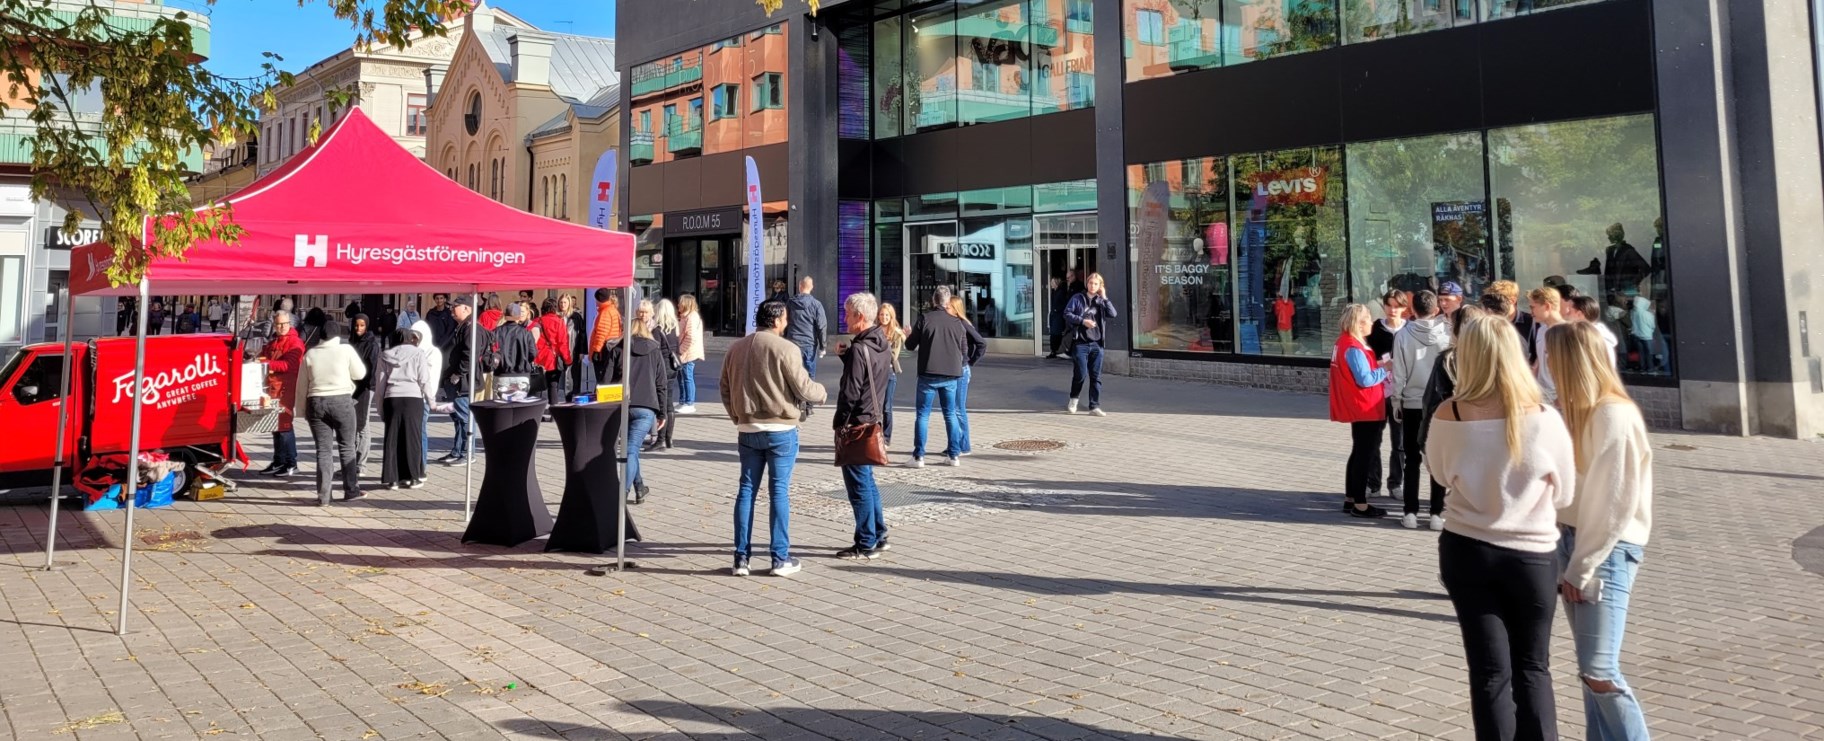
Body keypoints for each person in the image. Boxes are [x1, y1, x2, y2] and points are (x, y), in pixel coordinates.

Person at [1426, 315, 1578, 741]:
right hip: (1532, 555)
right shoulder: (1544, 418)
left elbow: (1438, 475)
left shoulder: (1448, 412)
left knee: (1489, 672)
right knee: (1534, 666)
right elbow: (1565, 493)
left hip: (1467, 549)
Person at [1546, 322, 1655, 741]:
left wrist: (1582, 565)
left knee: (1599, 669)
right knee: (1590, 668)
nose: (1549, 364)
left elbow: (1614, 501)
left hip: (1604, 549)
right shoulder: (1580, 410)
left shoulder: (1613, 413)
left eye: (1554, 356)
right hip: (1577, 542)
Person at [720, 300, 826, 577]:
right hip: (781, 430)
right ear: (778, 320)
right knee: (778, 491)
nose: (787, 323)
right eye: (786, 319)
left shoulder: (736, 348)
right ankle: (779, 558)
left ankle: (741, 558)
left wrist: (737, 416)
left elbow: (724, 387)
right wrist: (823, 392)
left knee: (746, 491)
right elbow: (803, 387)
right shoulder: (786, 349)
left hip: (748, 429)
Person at [833, 292, 893, 560]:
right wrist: (847, 359)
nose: (845, 318)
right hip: (872, 420)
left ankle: (865, 542)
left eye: (847, 313)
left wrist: (839, 422)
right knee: (867, 481)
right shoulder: (880, 342)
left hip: (857, 423)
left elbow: (851, 391)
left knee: (858, 486)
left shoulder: (860, 348)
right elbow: (870, 376)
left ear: (859, 316)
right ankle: (879, 534)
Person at [1389, 290, 1452, 529]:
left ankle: (1410, 512)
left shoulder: (1403, 335)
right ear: (1435, 309)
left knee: (1411, 458)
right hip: (1440, 402)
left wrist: (1397, 400)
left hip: (1413, 401)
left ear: (1412, 310)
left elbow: (1399, 373)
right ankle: (1436, 512)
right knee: (1438, 457)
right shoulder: (1446, 333)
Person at [903, 286, 980, 468]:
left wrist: (908, 335)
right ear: (947, 302)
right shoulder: (957, 322)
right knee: (950, 414)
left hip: (928, 373)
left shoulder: (925, 319)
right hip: (951, 374)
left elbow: (910, 346)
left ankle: (918, 457)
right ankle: (954, 456)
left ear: (934, 300)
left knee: (923, 415)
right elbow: (964, 350)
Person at [296, 319, 367, 505]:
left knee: (323, 450)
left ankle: (324, 496)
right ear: (338, 335)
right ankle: (351, 490)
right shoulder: (346, 350)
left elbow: (301, 385)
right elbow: (360, 374)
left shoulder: (310, 353)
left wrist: (301, 411)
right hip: (342, 401)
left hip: (316, 402)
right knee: (347, 446)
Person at [1328, 304, 1390, 519]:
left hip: (1357, 405)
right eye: (1369, 319)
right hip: (1364, 406)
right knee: (1365, 454)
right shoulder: (1353, 346)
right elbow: (1365, 379)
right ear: (1359, 322)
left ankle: (1351, 498)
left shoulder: (1344, 342)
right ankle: (1361, 504)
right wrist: (1386, 369)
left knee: (1358, 452)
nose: (1372, 322)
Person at [613, 300, 670, 504]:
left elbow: (609, 380)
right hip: (646, 407)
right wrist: (662, 413)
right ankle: (625, 492)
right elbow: (661, 383)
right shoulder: (654, 350)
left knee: (630, 450)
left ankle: (638, 487)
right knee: (631, 450)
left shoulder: (619, 349)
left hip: (622, 406)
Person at [379, 328, 435, 490]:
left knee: (392, 438)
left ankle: (393, 479)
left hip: (392, 397)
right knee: (413, 438)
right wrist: (431, 401)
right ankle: (413, 477)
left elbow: (380, 383)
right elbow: (424, 379)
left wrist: (381, 408)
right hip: (413, 397)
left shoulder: (385, 355)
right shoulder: (418, 354)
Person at [1368, 290, 1410, 501]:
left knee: (1400, 442)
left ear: (1404, 308)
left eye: (1397, 306)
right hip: (1377, 393)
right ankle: (1373, 484)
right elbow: (1366, 360)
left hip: (1401, 394)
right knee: (1374, 439)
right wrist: (1384, 365)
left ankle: (1396, 483)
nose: (1393, 310)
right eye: (1389, 305)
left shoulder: (1410, 330)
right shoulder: (1375, 329)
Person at [1065, 272, 1118, 416]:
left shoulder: (1101, 301)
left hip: (1097, 344)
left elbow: (1113, 314)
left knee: (1096, 377)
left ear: (1100, 286)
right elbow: (1067, 313)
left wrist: (1105, 297)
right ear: (1086, 284)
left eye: (1096, 284)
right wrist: (1083, 321)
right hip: (1080, 343)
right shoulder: (1077, 298)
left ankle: (1094, 406)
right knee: (1080, 374)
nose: (1092, 286)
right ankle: (1073, 399)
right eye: (1090, 283)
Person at [260, 311, 305, 476]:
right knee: (274, 425)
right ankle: (279, 461)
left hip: (285, 389)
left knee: (284, 425)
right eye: (277, 324)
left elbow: (290, 365)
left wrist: (267, 363)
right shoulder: (274, 341)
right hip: (272, 388)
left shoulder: (295, 343)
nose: (280, 327)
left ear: (289, 324)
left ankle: (291, 462)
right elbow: (263, 356)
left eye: (284, 324)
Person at [439, 299, 481, 465]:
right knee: (457, 416)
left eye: (455, 306)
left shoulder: (471, 328)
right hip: (453, 379)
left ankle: (467, 452)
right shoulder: (461, 326)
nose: (451, 309)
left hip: (463, 381)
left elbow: (469, 354)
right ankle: (457, 450)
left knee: (465, 417)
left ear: (466, 308)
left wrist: (458, 373)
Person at [945, 295, 985, 456]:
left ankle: (964, 445)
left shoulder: (963, 324)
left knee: (958, 409)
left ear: (955, 309)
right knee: (952, 409)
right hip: (953, 370)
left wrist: (970, 361)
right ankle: (955, 443)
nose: (945, 309)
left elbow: (982, 343)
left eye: (948, 306)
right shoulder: (953, 323)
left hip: (962, 370)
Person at [347, 314, 384, 471]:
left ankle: (360, 464)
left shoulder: (372, 345)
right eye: (356, 325)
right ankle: (352, 461)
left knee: (362, 424)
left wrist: (361, 385)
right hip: (351, 387)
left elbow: (371, 369)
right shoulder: (351, 342)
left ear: (367, 326)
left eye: (362, 325)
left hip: (365, 388)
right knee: (353, 425)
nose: (358, 328)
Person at [647, 298, 683, 451]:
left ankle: (660, 439)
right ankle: (669, 439)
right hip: (673, 368)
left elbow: (652, 350)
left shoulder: (657, 330)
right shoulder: (674, 328)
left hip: (661, 369)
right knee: (669, 404)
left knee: (662, 403)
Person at [492, 303, 539, 400]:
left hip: (502, 374)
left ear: (505, 315)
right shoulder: (526, 333)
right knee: (519, 410)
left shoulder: (496, 332)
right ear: (518, 316)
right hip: (521, 375)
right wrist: (524, 360)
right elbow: (533, 353)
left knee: (501, 409)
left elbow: (490, 352)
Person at [1528, 286, 1567, 404]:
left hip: (1559, 397)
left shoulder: (1567, 332)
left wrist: (1562, 397)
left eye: (1533, 307)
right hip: (1541, 394)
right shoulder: (1541, 330)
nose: (1531, 312)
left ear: (1547, 306)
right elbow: (1539, 362)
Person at [410, 318, 441, 464]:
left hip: (423, 398)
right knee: (411, 433)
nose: (414, 340)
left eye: (416, 337)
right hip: (410, 397)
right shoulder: (412, 351)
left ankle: (421, 466)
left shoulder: (432, 352)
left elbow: (430, 379)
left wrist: (429, 397)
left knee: (419, 432)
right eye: (412, 337)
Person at [877, 302, 908, 445]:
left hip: (889, 372)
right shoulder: (874, 330)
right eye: (882, 314)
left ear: (891, 316)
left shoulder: (895, 333)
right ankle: (875, 435)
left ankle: (886, 438)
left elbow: (893, 355)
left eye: (887, 315)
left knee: (886, 407)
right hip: (875, 373)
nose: (884, 317)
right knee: (875, 406)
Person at [1566, 294, 1622, 374]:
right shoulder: (1596, 335)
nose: (1566, 314)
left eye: (1569, 311)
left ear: (1579, 314)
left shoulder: (1589, 338)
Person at [785, 276, 828, 377]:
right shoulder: (816, 305)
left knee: (792, 375)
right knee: (809, 376)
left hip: (792, 342)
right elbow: (821, 326)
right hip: (809, 344)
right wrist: (823, 346)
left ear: (800, 286)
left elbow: (785, 322)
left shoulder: (790, 303)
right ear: (812, 287)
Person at [1487, 280, 1537, 364]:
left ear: (1512, 301)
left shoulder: (1530, 321)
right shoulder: (1489, 322)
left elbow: (1536, 355)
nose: (1494, 305)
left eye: (1498, 301)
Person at [535, 298, 572, 410]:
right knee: (553, 385)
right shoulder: (559, 321)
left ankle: (536, 410)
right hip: (553, 359)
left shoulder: (537, 321)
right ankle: (553, 411)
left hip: (539, 358)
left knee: (537, 386)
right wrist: (568, 359)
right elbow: (562, 343)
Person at [676, 294, 706, 415]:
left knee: (687, 377)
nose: (678, 305)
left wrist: (681, 350)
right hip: (684, 352)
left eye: (680, 303)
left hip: (688, 353)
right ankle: (683, 401)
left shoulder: (691, 318)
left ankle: (689, 403)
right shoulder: (685, 316)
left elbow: (691, 337)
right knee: (681, 377)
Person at [588, 288, 624, 384]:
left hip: (603, 351)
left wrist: (596, 351)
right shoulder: (613, 310)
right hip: (611, 348)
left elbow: (601, 333)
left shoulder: (605, 312)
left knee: (602, 379)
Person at [562, 295, 589, 399]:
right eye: (561, 303)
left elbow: (582, 333)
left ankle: (573, 395)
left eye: (565, 302)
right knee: (564, 376)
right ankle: (565, 397)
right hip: (562, 349)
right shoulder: (559, 317)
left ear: (569, 303)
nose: (562, 305)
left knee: (574, 375)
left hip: (574, 348)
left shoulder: (576, 316)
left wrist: (582, 351)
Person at [1045, 272, 1071, 359]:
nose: (1051, 284)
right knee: (1054, 333)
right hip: (1054, 315)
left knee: (1055, 334)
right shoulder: (1055, 292)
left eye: (1052, 282)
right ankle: (1055, 351)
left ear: (1056, 283)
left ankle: (1055, 351)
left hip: (1058, 316)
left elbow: (1063, 304)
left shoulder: (1060, 292)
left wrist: (1057, 310)